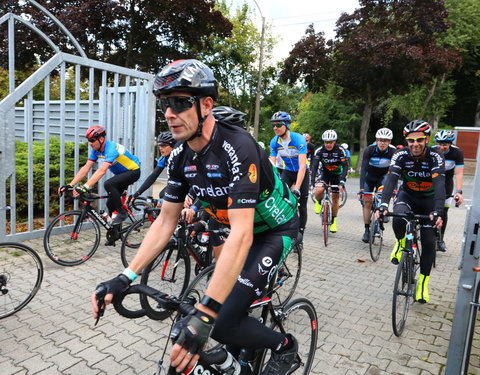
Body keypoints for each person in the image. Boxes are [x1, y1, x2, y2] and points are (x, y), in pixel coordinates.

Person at [91, 59, 300, 375]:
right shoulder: (180, 155)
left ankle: (285, 347)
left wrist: (206, 312)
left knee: (222, 319)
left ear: (206, 104)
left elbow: (243, 234)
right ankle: (237, 362)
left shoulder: (238, 147)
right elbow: (165, 221)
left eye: (179, 102)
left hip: (272, 231)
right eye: (165, 105)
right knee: (219, 308)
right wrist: (126, 276)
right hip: (236, 230)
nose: (170, 114)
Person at [375, 120, 445, 304]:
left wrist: (438, 211)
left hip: (429, 201)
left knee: (429, 241)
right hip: (408, 196)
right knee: (398, 218)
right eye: (411, 141)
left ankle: (422, 283)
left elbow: (439, 185)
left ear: (427, 139)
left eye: (420, 140)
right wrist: (383, 205)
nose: (415, 144)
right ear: (406, 141)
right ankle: (399, 243)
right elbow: (391, 179)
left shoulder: (436, 156)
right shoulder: (400, 155)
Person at [58, 126, 140, 227]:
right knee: (110, 204)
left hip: (133, 171)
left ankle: (122, 213)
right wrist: (70, 185)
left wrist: (85, 187)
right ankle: (114, 233)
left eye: (92, 140)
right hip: (121, 175)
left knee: (108, 184)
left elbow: (102, 171)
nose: (90, 143)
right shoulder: (96, 150)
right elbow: (86, 168)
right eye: (88, 140)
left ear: (101, 139)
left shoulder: (111, 149)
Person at [269, 112, 309, 235]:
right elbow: (272, 164)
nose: (275, 128)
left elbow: (302, 165)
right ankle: (283, 227)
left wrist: (297, 187)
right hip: (288, 172)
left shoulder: (298, 139)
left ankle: (300, 233)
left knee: (302, 205)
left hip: (302, 173)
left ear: (286, 125)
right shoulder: (274, 141)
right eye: (273, 125)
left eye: (278, 125)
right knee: (280, 198)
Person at [358, 128, 396, 242]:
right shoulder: (369, 150)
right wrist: (361, 189)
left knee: (382, 195)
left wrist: (394, 189)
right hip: (369, 178)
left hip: (383, 178)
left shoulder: (393, 152)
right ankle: (366, 230)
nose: (382, 143)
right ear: (376, 140)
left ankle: (381, 211)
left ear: (389, 142)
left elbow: (395, 172)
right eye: (380, 140)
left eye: (385, 140)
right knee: (367, 202)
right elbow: (363, 170)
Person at [310, 129, 348, 233]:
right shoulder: (320, 150)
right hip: (325, 174)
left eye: (330, 142)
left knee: (335, 199)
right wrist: (312, 182)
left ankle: (334, 221)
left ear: (334, 141)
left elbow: (345, 167)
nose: (328, 144)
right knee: (319, 190)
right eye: (326, 142)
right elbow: (315, 166)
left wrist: (342, 181)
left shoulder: (340, 150)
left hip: (337, 175)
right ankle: (318, 201)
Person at [433, 129, 464, 251]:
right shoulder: (432, 151)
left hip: (447, 182)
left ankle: (440, 239)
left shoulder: (456, 153)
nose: (441, 147)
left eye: (445, 144)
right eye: (439, 144)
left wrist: (459, 191)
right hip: (432, 181)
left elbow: (459, 173)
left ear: (450, 143)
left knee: (443, 212)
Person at [129, 131, 176, 204]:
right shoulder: (163, 159)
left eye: (163, 145)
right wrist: (138, 193)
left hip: (189, 185)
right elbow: (153, 176)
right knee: (162, 195)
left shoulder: (180, 158)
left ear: (173, 146)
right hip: (175, 184)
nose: (160, 148)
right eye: (159, 146)